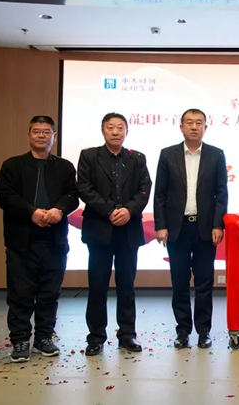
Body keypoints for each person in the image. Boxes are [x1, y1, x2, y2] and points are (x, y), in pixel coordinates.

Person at [0, 116, 79, 363]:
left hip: (54, 241)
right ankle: (20, 340)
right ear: (29, 135)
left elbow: (73, 195)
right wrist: (31, 212)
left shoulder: (64, 167)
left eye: (46, 132)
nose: (41, 136)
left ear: (54, 137)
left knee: (49, 294)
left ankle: (44, 338)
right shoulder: (13, 165)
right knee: (20, 294)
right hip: (21, 241)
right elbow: (5, 196)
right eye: (36, 131)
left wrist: (59, 210)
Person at [77, 112, 152, 356]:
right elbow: (84, 188)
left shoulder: (137, 158)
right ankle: (96, 336)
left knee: (126, 285)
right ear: (103, 130)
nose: (115, 132)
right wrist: (110, 210)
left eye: (120, 128)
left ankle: (127, 334)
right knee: (97, 284)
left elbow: (144, 188)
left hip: (128, 230)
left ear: (127, 131)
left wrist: (128, 211)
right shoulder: (89, 156)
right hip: (100, 229)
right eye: (110, 127)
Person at [154, 108, 228, 349]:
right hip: (178, 228)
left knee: (205, 282)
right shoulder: (168, 154)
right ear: (181, 127)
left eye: (199, 123)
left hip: (205, 229)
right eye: (189, 122)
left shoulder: (216, 155)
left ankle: (204, 331)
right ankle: (183, 331)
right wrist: (161, 226)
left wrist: (218, 224)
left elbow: (221, 194)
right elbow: (160, 194)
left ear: (205, 127)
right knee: (180, 281)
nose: (194, 127)